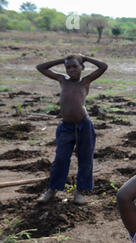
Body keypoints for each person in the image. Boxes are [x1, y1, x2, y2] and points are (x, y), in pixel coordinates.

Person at [36, 54, 108, 205]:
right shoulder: (62, 80)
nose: (71, 70)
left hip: (84, 126)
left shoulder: (85, 81)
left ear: (82, 67)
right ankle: (52, 190)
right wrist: (61, 60)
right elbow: (40, 67)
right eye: (68, 67)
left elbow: (103, 66)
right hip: (66, 127)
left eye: (75, 66)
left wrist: (86, 58)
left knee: (85, 159)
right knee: (60, 159)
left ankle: (80, 192)